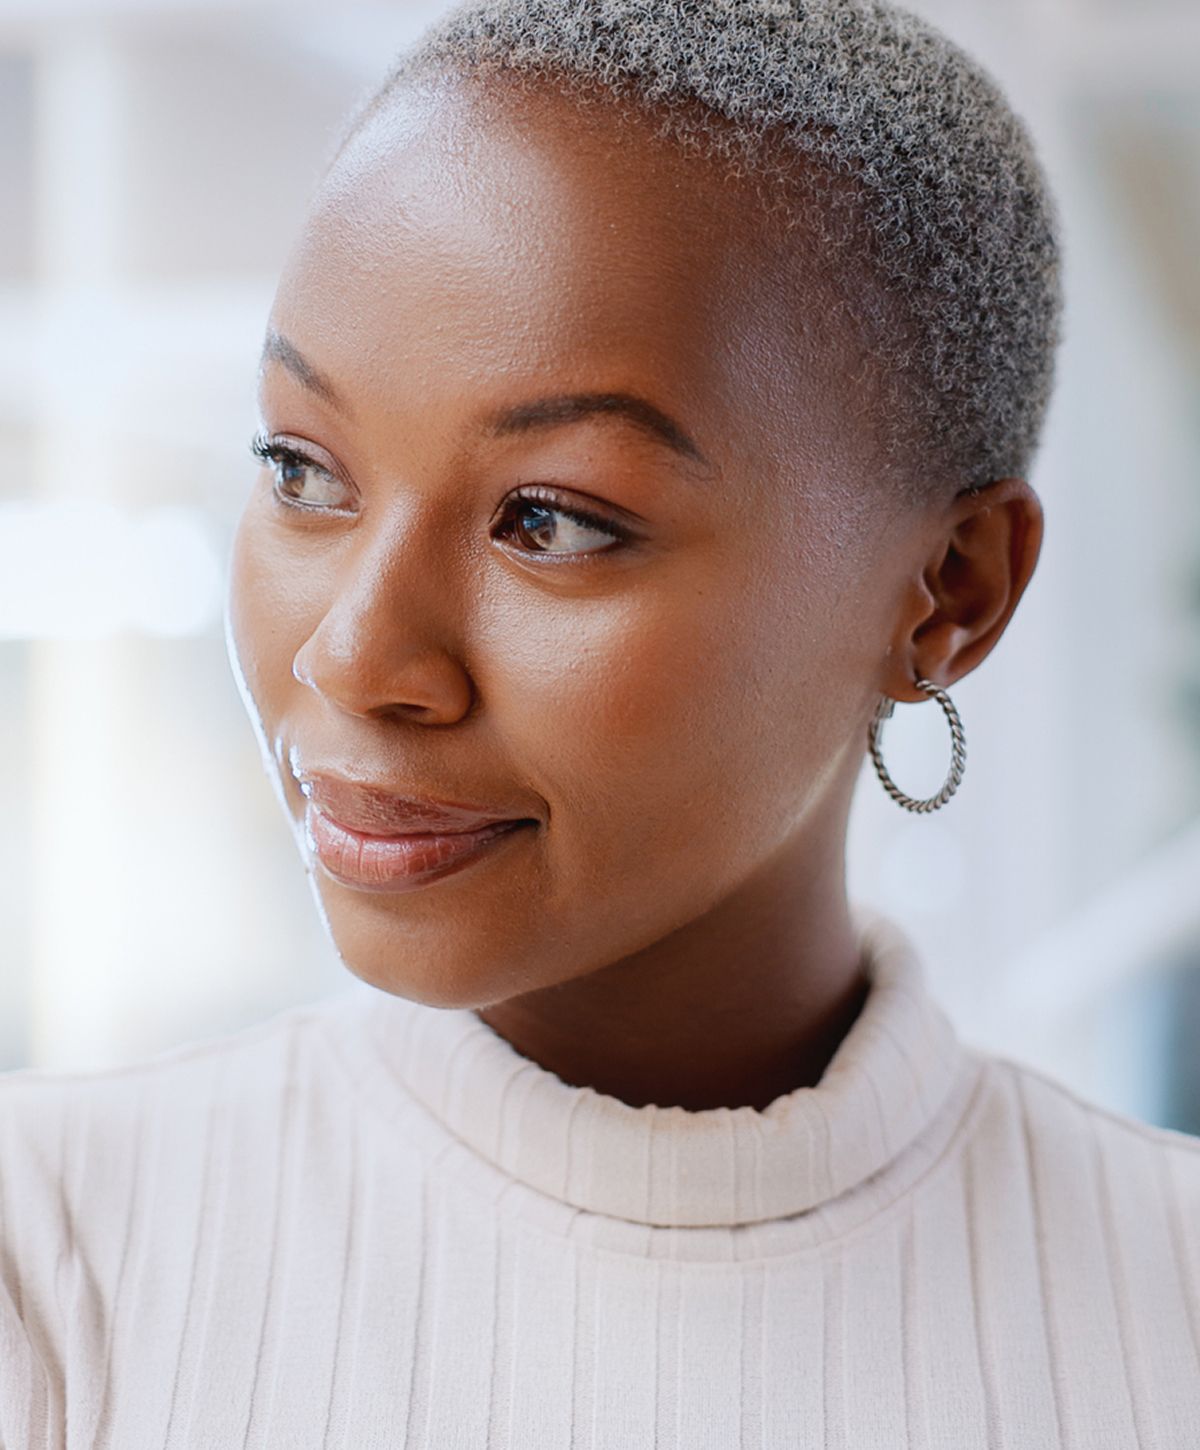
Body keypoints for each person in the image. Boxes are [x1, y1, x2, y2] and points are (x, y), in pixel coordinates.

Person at [2, 0, 1198, 1445]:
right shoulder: (53, 1262)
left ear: (947, 594)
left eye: (550, 518)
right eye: (303, 469)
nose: (356, 651)